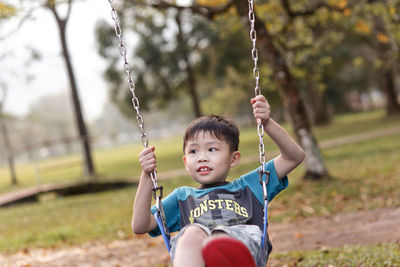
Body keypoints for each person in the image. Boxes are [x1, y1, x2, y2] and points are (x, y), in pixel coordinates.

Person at [132, 95, 305, 267]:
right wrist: (147, 175)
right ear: (185, 162)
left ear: (234, 158)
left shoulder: (250, 186)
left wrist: (266, 123)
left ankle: (224, 252)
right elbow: (141, 225)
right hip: (199, 258)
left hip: (244, 248)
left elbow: (293, 157)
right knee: (190, 234)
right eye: (193, 152)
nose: (202, 158)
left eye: (212, 149)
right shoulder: (182, 198)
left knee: (220, 237)